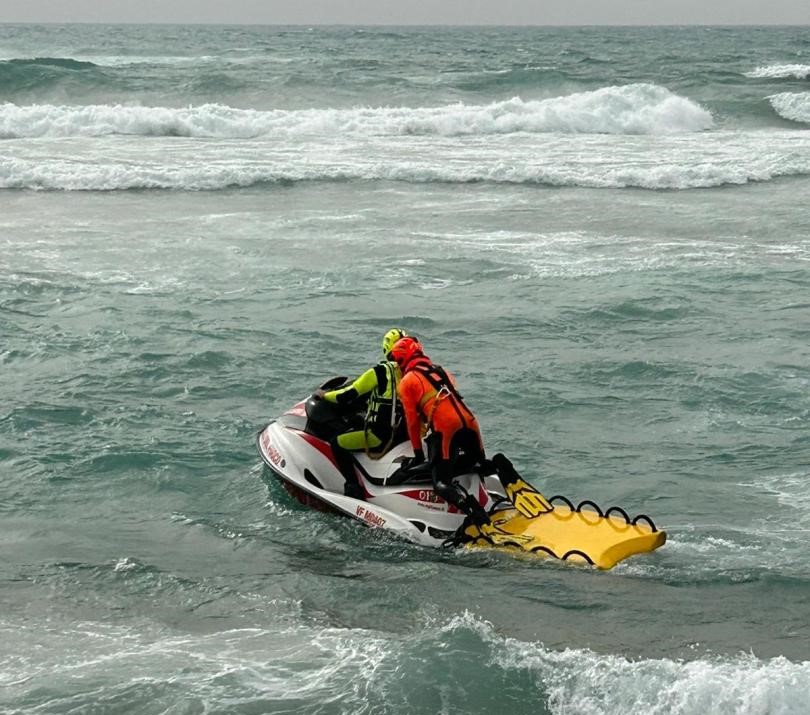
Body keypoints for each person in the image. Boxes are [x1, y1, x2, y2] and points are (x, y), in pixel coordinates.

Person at [388, 335, 493, 531]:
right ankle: (503, 470)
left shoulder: (408, 381)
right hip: (470, 423)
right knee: (480, 465)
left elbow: (412, 422)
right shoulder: (440, 371)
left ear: (402, 359)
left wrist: (418, 454)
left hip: (447, 428)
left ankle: (476, 514)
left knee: (441, 483)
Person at [316, 328, 408, 499]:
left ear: (386, 347)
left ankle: (352, 486)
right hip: (402, 434)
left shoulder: (380, 372)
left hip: (381, 437)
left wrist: (325, 395)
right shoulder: (410, 372)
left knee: (337, 443)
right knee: (358, 420)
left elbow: (347, 395)